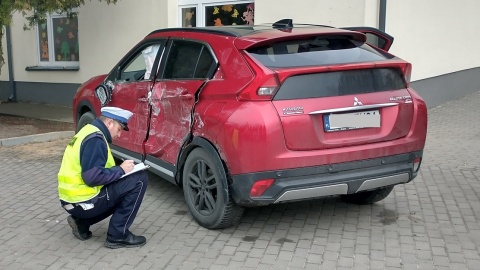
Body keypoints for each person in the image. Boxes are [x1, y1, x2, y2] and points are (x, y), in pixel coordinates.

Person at [58, 106, 148, 249]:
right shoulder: (96, 139)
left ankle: (82, 223)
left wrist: (120, 171)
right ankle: (118, 235)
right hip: (83, 201)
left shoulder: (88, 131)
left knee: (122, 186)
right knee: (139, 179)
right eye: (119, 129)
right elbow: (92, 178)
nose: (119, 135)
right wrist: (120, 170)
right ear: (109, 123)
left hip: (72, 200)